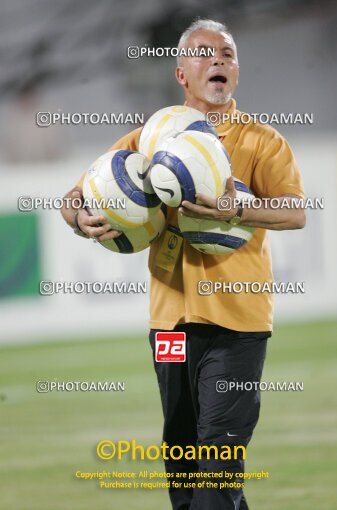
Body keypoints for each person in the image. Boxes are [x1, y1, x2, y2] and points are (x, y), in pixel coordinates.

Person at [61, 18, 305, 510]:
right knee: (183, 466)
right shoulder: (150, 136)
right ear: (180, 74)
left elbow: (295, 211)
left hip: (238, 325)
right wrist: (78, 217)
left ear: (235, 71)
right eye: (204, 52)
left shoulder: (262, 141)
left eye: (228, 54)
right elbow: (78, 193)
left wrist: (235, 207)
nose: (218, 60)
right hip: (169, 325)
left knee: (217, 468)